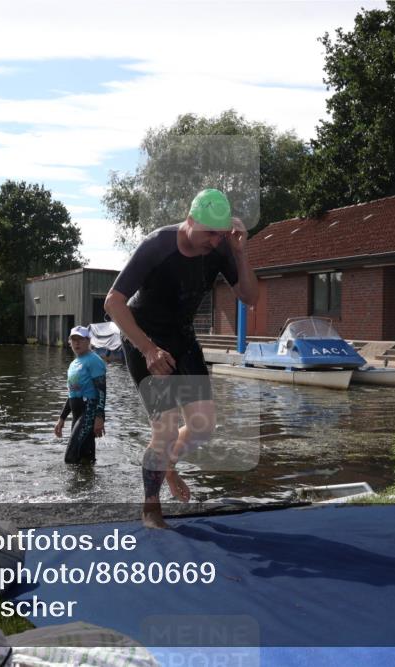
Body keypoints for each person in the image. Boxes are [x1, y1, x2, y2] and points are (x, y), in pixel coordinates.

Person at [104, 188, 259, 528]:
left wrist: (240, 253)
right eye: (209, 233)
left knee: (203, 427)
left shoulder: (220, 249)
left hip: (183, 338)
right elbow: (113, 302)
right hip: (144, 337)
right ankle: (150, 507)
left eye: (220, 234)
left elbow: (249, 297)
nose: (215, 241)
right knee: (166, 428)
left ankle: (167, 465)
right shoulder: (157, 245)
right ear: (190, 222)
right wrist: (148, 349)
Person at [54, 326, 107, 464]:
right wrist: (62, 418)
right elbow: (72, 394)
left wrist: (100, 417)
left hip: (88, 411)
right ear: (69, 342)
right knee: (85, 456)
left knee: (70, 457)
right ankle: (89, 483)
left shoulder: (94, 360)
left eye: (81, 339)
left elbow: (101, 390)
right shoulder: (73, 364)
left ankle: (75, 485)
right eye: (74, 339)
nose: (77, 343)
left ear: (88, 340)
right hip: (77, 414)